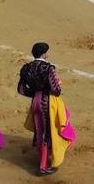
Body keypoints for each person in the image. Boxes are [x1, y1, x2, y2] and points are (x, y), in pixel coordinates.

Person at [18, 42, 76, 176]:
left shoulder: (26, 68)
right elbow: (56, 90)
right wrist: (54, 87)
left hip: (35, 103)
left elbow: (21, 90)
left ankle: (43, 157)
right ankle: (43, 166)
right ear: (44, 54)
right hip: (47, 103)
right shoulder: (48, 68)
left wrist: (35, 94)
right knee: (47, 133)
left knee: (40, 131)